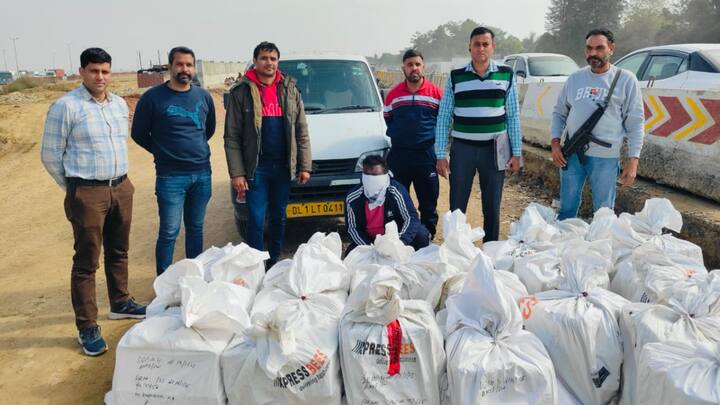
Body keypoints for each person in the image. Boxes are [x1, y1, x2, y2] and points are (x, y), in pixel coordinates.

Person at [41, 48, 146, 357]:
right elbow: (50, 155)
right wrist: (76, 189)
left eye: (105, 71)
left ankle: (120, 302)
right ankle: (87, 325)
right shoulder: (66, 107)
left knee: (119, 251)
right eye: (94, 71)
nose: (100, 77)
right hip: (87, 192)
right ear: (82, 72)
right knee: (87, 261)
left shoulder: (119, 105)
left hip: (121, 187)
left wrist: (118, 185)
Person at [224, 41, 311, 268]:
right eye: (264, 58)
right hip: (256, 169)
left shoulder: (290, 89)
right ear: (255, 61)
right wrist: (237, 173)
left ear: (277, 62)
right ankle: (255, 265)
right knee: (255, 218)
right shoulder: (241, 92)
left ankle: (274, 262)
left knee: (278, 217)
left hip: (282, 167)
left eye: (273, 59)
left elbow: (301, 130)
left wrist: (304, 166)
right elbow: (231, 136)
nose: (269, 63)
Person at [131, 46, 216, 275]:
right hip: (170, 177)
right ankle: (164, 283)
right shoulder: (152, 98)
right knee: (169, 232)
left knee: (196, 228)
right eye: (179, 64)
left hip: (202, 174)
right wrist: (162, 151)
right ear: (170, 66)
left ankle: (194, 278)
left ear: (193, 68)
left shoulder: (204, 97)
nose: (184, 69)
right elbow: (138, 133)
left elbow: (208, 130)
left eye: (189, 65)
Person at [435, 26, 522, 242]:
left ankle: (491, 249)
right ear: (470, 47)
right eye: (477, 44)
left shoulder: (506, 74)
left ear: (493, 47)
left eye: (485, 44)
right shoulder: (456, 77)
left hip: (495, 149)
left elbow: (512, 116)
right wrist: (440, 154)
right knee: (457, 205)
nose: (481, 48)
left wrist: (517, 152)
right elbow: (444, 116)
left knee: (492, 204)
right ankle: (456, 249)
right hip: (462, 149)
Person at [550, 28, 644, 220]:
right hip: (572, 154)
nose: (593, 53)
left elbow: (636, 122)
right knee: (566, 210)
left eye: (599, 48)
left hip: (606, 158)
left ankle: (600, 240)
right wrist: (555, 143)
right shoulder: (575, 78)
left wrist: (633, 160)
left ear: (611, 48)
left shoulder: (625, 80)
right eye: (589, 48)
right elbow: (559, 113)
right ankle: (565, 238)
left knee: (603, 213)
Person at [383, 49, 443, 239]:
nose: (414, 68)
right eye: (410, 65)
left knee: (428, 200)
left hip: (425, 154)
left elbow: (443, 123)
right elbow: (388, 119)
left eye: (417, 64)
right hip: (399, 155)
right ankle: (403, 238)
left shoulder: (437, 93)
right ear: (404, 68)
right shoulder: (393, 95)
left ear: (423, 67)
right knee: (398, 199)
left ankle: (427, 237)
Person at [345, 155, 430, 253]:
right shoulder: (353, 197)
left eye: (375, 175)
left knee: (421, 234)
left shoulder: (396, 191)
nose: (371, 179)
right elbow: (352, 228)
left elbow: (411, 218)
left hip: (395, 237)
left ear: (385, 175)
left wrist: (400, 243)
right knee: (350, 254)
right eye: (367, 175)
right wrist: (369, 248)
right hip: (369, 240)